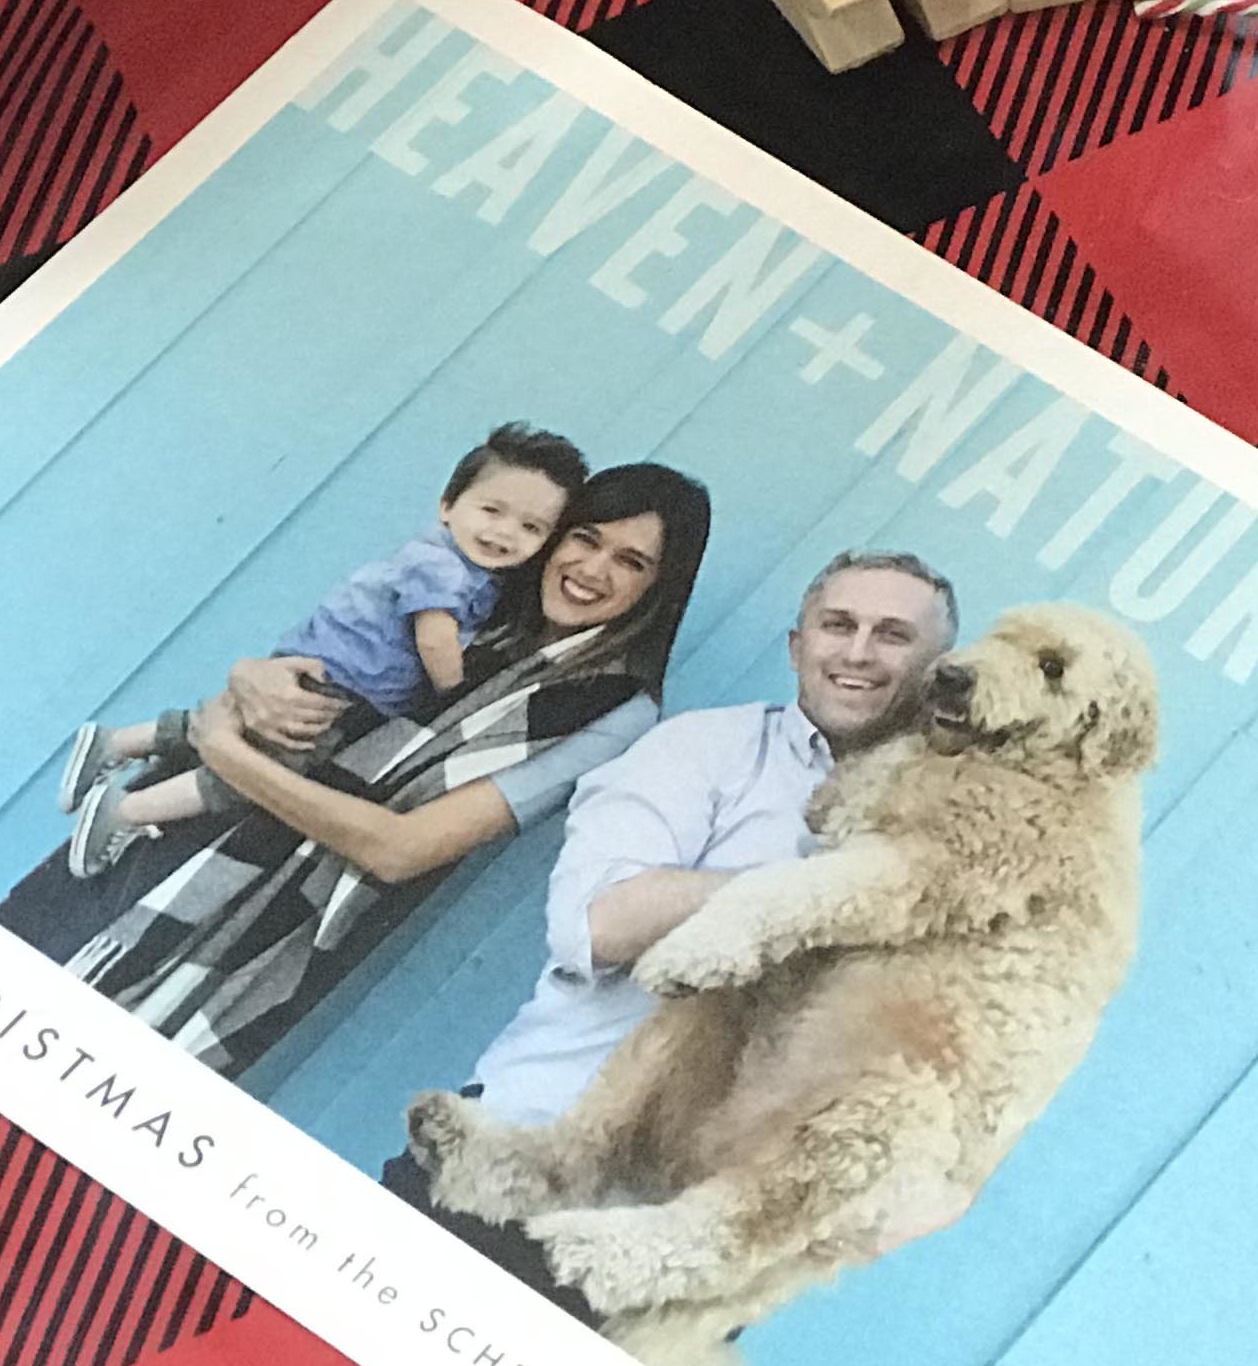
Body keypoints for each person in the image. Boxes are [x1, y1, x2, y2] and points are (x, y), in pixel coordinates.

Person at [0, 461, 707, 1081]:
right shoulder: (474, 605)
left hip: (267, 920)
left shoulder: (610, 707)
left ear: (659, 590)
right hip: (157, 834)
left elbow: (401, 850)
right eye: (586, 538)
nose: (592, 569)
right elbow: (317, 672)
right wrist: (250, 678)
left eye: (631, 562)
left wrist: (226, 753)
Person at [382, 550, 961, 1293]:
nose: (857, 652)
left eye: (893, 635)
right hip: (515, 1164)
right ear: (797, 645)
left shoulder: (947, 823)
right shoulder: (706, 750)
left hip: (680, 1245)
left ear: (939, 667)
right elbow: (601, 924)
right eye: (838, 625)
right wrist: (835, 893)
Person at [52, 421, 587, 878]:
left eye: (530, 527)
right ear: (447, 506)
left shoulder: (456, 566)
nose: (505, 533)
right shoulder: (444, 569)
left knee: (236, 725)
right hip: (343, 680)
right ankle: (125, 811)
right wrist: (454, 691)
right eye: (492, 510)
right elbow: (433, 637)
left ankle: (116, 743)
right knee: (262, 774)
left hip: (321, 658)